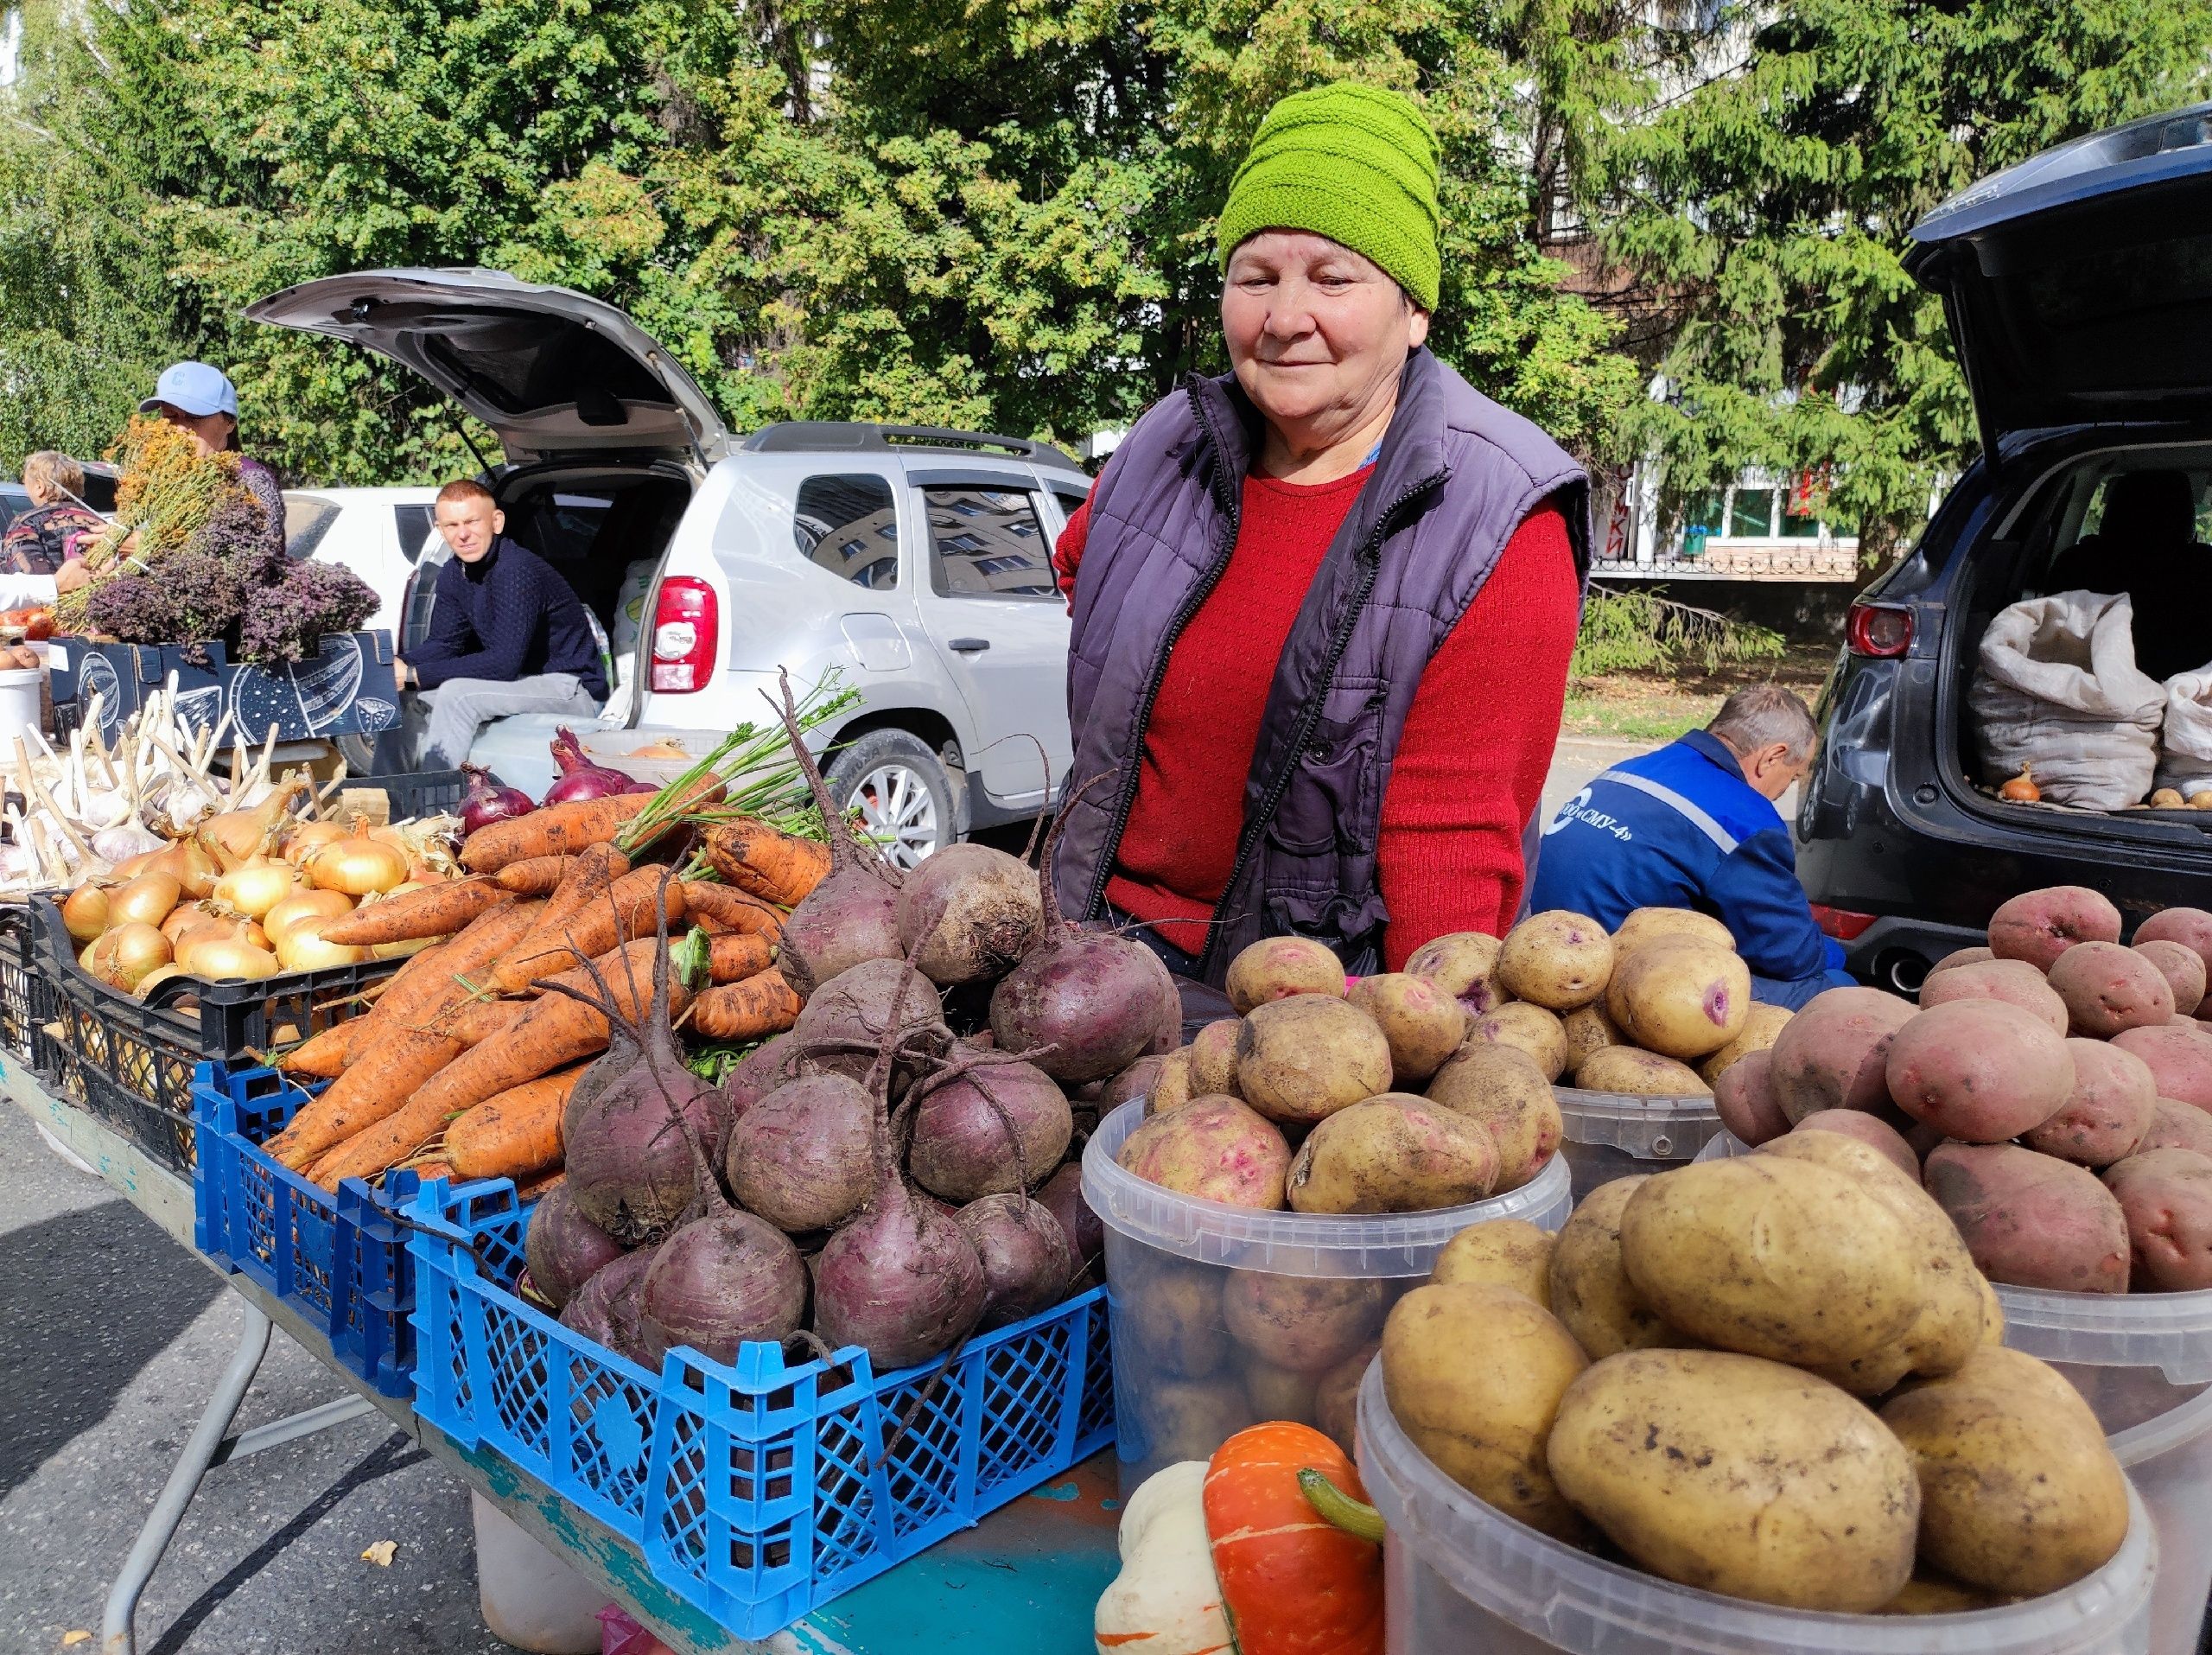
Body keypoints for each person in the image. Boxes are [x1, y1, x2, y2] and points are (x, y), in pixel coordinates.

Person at [1050, 81, 1588, 985]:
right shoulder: (1164, 444)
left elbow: (1451, 847)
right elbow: (1083, 569)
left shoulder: (1497, 516)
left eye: (1333, 278)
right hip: (1089, 968)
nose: (1284, 317)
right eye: (1254, 277)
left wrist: (1434, 1061)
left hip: (1310, 1024)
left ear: (1414, 312)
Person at [1526, 684, 1853, 1009]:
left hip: (1540, 946)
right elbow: (1790, 954)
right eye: (1793, 776)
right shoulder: (1745, 819)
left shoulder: (1636, 767)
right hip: (1612, 980)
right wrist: (1838, 952)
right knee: (1837, 989)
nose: (1783, 792)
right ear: (1772, 757)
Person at [396, 479, 607, 768]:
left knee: (455, 695)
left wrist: (413, 674)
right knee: (400, 699)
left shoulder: (516, 569)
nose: (463, 535)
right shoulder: (453, 573)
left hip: (571, 688)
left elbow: (504, 663)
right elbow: (443, 644)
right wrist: (392, 668)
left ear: (496, 522)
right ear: (440, 529)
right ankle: (386, 804)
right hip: (518, 684)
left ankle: (439, 805)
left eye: (472, 522)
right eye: (452, 526)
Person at [3, 451, 104, 576]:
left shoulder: (26, 524)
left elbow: (29, 578)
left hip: (55, 593)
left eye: (26, 483)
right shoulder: (100, 522)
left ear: (40, 486)